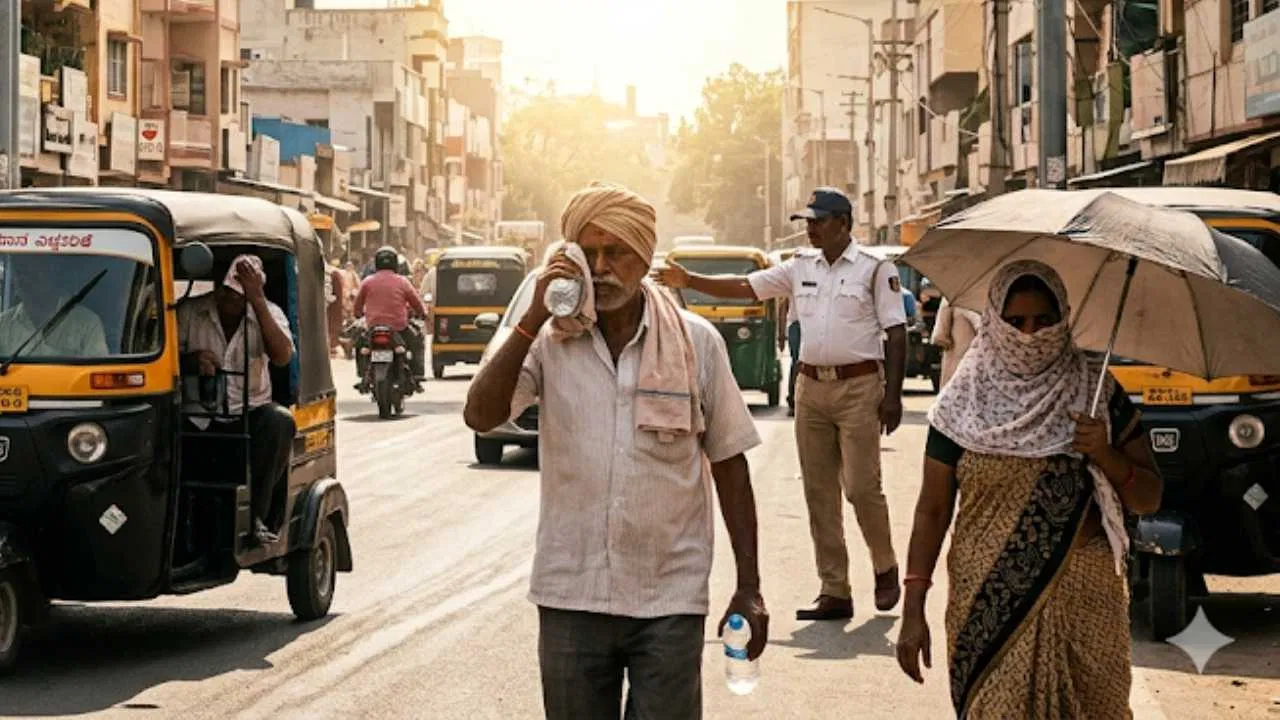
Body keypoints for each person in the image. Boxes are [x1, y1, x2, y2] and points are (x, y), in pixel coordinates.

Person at [464, 182, 768, 719]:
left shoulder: (697, 342)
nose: (601, 268)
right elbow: (481, 415)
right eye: (589, 253)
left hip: (668, 598)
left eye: (616, 252)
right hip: (571, 594)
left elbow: (729, 462)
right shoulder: (547, 342)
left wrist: (749, 586)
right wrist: (532, 316)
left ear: (644, 257)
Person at [895, 260, 1162, 719]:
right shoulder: (963, 401)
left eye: (1044, 321)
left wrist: (1107, 454)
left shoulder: (1095, 393)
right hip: (990, 600)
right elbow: (933, 510)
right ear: (994, 320)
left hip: (1086, 598)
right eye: (1016, 322)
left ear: (1064, 320)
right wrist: (912, 608)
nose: (1030, 334)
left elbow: (1149, 498)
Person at [656, 186, 907, 620]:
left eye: (819, 221)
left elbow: (897, 332)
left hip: (859, 387)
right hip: (812, 388)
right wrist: (690, 282)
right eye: (807, 222)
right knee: (818, 491)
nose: (810, 229)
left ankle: (884, 566)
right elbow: (746, 288)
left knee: (862, 488)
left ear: (843, 224)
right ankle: (834, 589)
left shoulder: (873, 270)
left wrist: (893, 396)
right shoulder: (798, 268)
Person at [178, 255, 297, 546]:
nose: (231, 302)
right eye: (229, 294)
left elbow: (282, 356)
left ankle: (257, 516)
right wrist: (192, 362)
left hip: (250, 412)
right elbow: (168, 358)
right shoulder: (191, 312)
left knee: (280, 422)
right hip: (199, 413)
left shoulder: (268, 313)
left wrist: (257, 302)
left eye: (239, 297)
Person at [0, 256, 109, 358]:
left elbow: (97, 370)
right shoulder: (3, 325)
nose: (26, 279)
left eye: (35, 273)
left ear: (52, 275)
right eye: (20, 272)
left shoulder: (87, 323)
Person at [354, 246, 428, 385]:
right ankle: (417, 374)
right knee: (418, 340)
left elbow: (357, 306)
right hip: (399, 327)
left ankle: (362, 374)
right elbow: (416, 303)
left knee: (359, 343)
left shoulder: (367, 282)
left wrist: (358, 315)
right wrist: (422, 313)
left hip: (372, 327)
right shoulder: (403, 282)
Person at [930, 297, 981, 388]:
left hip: (954, 353)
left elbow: (940, 336)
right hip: (975, 356)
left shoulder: (952, 297)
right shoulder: (979, 300)